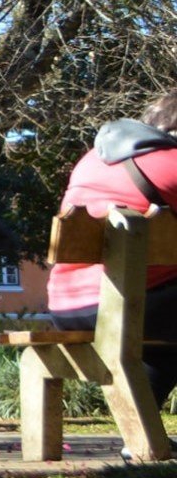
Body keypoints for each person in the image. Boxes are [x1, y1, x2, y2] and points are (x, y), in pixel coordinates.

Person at [48, 89, 177, 409]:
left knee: (167, 347)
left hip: (66, 308)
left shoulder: (92, 160)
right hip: (129, 307)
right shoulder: (170, 162)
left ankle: (142, 435)